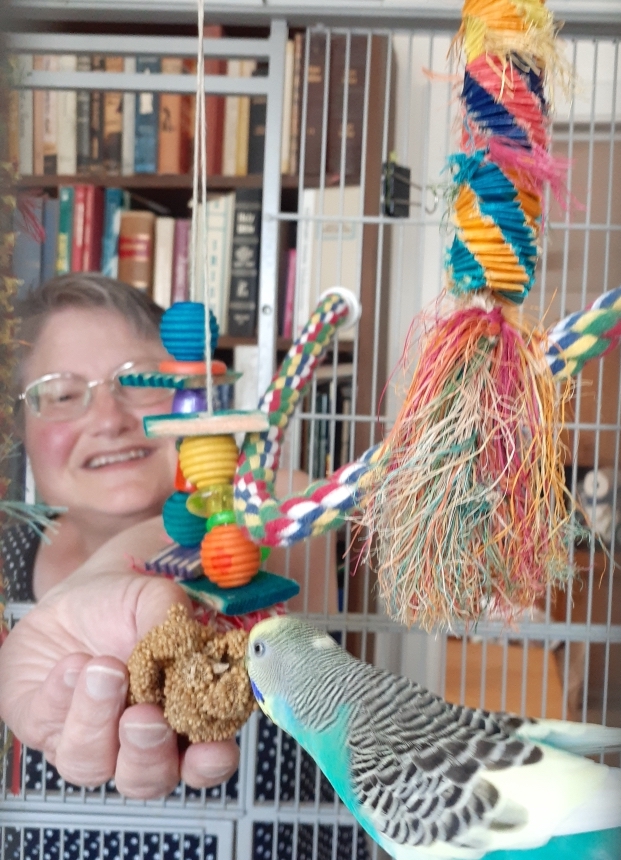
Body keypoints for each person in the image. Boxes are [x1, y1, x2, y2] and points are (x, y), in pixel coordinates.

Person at [0, 272, 340, 800]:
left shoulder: (278, 522)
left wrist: (114, 570)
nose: (109, 420)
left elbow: (285, 502)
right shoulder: (5, 556)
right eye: (62, 394)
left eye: (137, 382)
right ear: (20, 425)